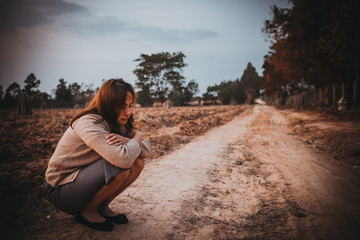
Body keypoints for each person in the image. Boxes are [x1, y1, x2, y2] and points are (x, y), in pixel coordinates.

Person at [44, 79, 150, 231]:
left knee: (138, 163)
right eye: (122, 106)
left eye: (130, 105)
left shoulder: (118, 122)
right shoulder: (88, 123)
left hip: (83, 179)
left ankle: (101, 206)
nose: (128, 112)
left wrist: (129, 140)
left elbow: (147, 151)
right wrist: (138, 137)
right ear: (108, 104)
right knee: (120, 167)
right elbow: (123, 160)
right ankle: (87, 212)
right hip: (61, 189)